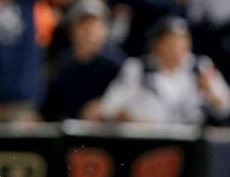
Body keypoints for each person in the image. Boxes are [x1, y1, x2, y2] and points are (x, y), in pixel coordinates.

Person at [97, 16, 230, 125]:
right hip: (150, 141)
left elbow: (224, 107)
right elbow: (110, 107)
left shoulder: (200, 67)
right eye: (171, 41)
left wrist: (210, 92)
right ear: (156, 44)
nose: (177, 47)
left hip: (192, 142)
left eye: (182, 41)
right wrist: (133, 120)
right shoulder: (138, 68)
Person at [41, 0, 125, 121]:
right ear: (71, 31)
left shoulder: (118, 64)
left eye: (96, 25)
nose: (90, 31)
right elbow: (50, 108)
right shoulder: (62, 65)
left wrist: (106, 107)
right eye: (83, 24)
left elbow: (130, 100)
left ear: (105, 30)